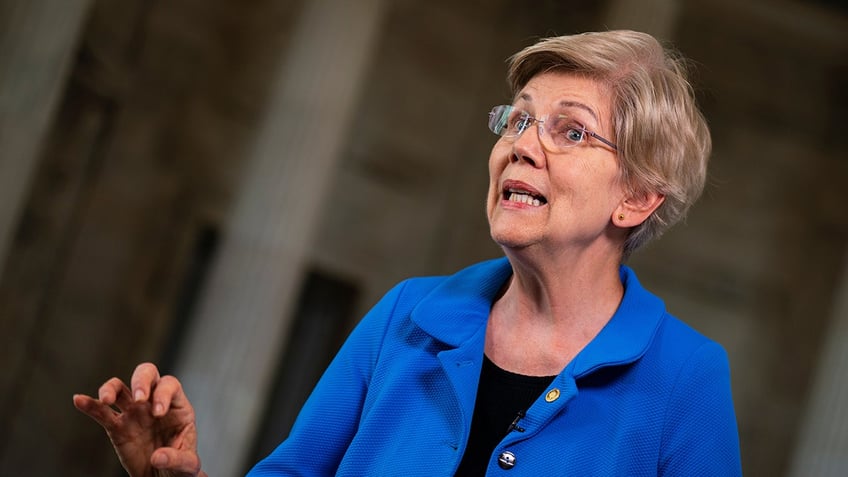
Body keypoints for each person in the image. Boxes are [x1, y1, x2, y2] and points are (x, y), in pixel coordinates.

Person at [74, 29, 742, 476]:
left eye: (570, 130)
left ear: (636, 197)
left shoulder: (687, 381)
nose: (522, 143)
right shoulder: (407, 314)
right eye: (518, 117)